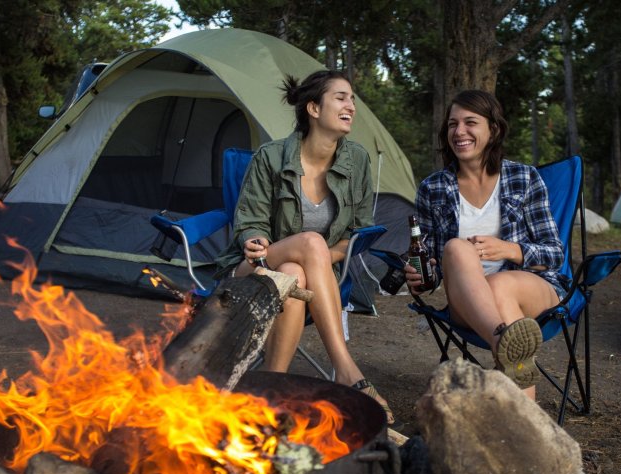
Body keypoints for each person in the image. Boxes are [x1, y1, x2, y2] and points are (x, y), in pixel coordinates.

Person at [214, 70, 394, 423]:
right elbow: (249, 221)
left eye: (352, 99)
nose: (351, 106)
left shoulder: (355, 160)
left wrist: (319, 261)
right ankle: (345, 368)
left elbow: (355, 232)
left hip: (304, 278)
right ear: (313, 108)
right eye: (341, 97)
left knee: (294, 273)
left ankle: (269, 390)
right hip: (254, 267)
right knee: (308, 247)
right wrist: (254, 239)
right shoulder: (270, 157)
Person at [404, 89, 567, 399]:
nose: (459, 132)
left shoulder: (524, 177)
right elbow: (435, 267)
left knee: (500, 284)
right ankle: (509, 351)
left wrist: (510, 250)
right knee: (455, 248)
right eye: (453, 124)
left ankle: (503, 346)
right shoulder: (433, 188)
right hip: (468, 303)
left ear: (493, 129)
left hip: (532, 289)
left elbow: (555, 254)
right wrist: (420, 276)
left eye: (470, 122)